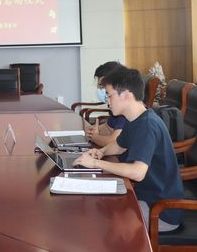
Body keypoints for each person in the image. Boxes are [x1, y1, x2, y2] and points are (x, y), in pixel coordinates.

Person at [73, 67, 183, 232]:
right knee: (97, 208)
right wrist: (101, 152)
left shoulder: (147, 125)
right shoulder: (135, 119)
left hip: (160, 211)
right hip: (144, 197)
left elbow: (137, 172)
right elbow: (118, 146)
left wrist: (96, 163)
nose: (107, 101)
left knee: (100, 221)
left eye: (109, 95)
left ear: (125, 95)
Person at [85, 61, 128, 146]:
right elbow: (109, 127)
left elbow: (114, 142)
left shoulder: (126, 110)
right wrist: (94, 130)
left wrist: (95, 137)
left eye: (102, 86)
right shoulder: (115, 106)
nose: (99, 89)